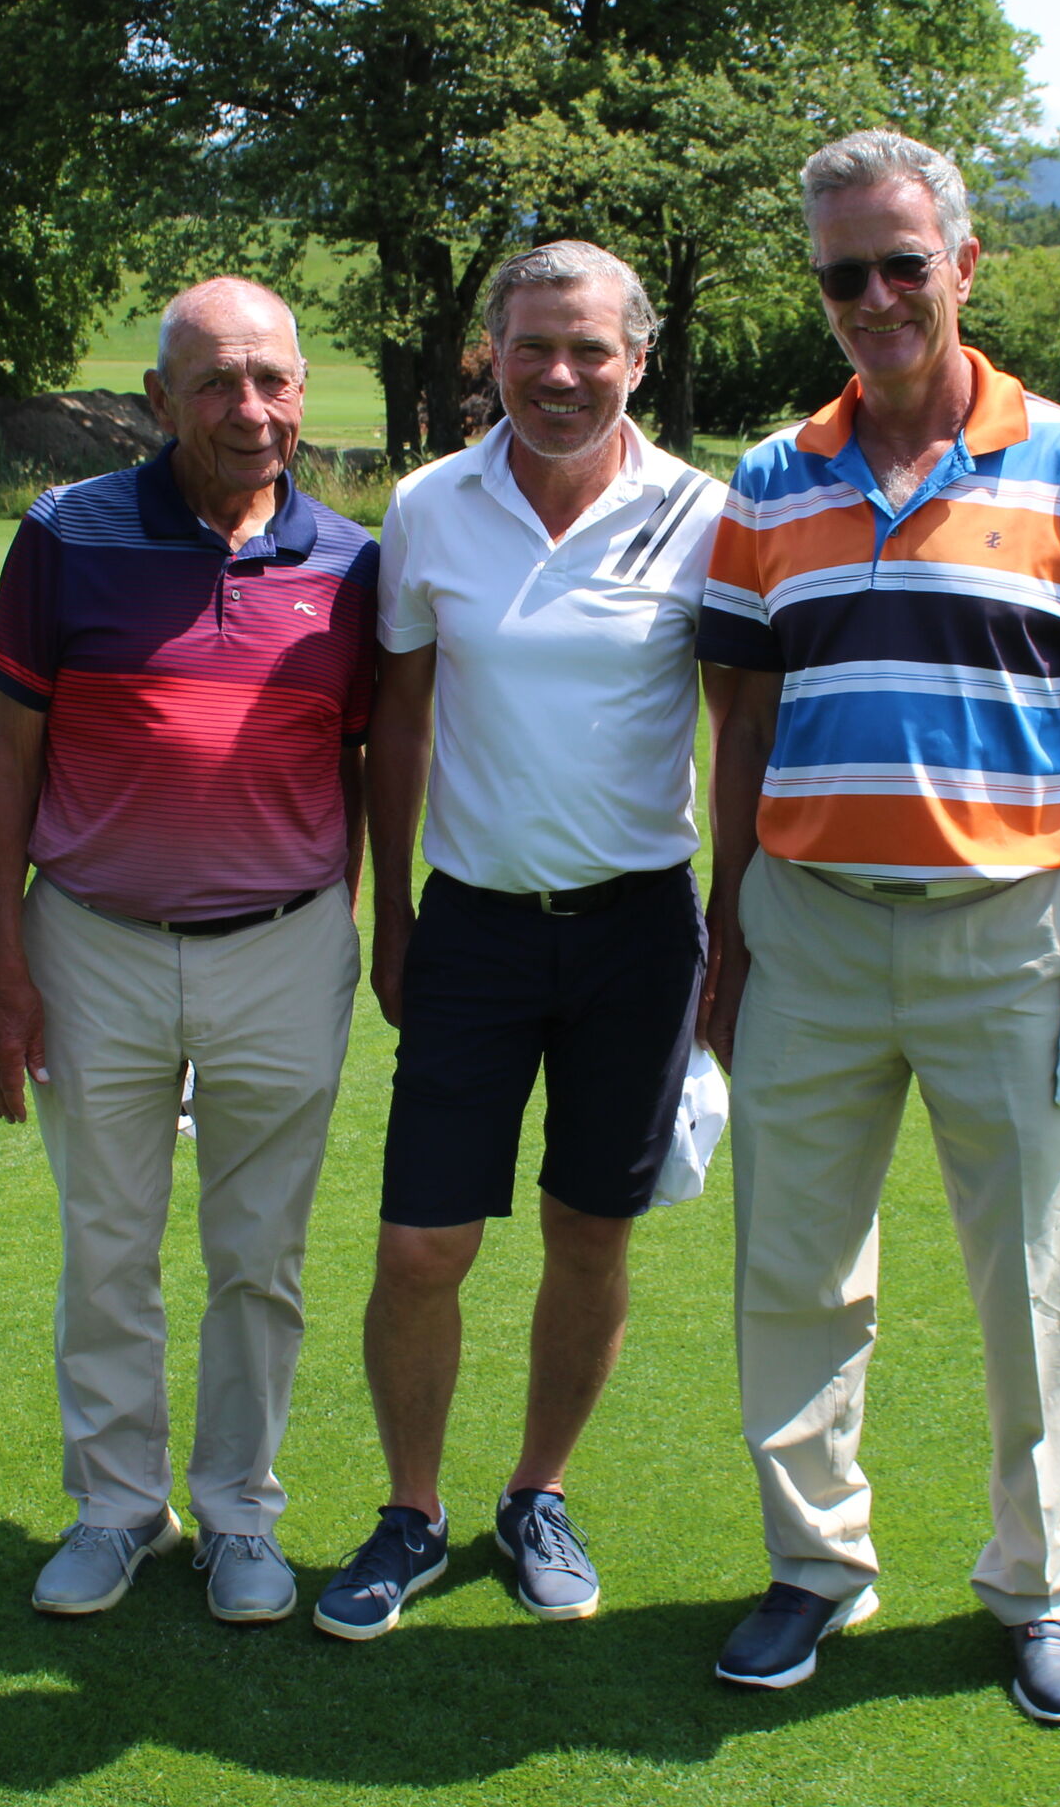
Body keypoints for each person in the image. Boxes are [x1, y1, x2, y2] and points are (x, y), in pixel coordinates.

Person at [694, 131, 1060, 1723]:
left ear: (964, 265)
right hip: (811, 930)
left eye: (902, 263)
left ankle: (1041, 1582)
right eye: (842, 273)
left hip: (1013, 932)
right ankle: (813, 1564)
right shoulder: (770, 479)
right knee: (794, 1269)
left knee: (1033, 1281)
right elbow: (741, 725)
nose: (875, 297)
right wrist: (727, 935)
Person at [309, 242, 722, 1642]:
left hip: (639, 935)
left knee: (588, 1235)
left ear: (637, 360)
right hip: (475, 929)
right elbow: (400, 717)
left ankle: (537, 1492)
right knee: (422, 1246)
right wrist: (393, 914)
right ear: (490, 354)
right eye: (532, 346)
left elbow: (742, 733)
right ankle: (411, 1512)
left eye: (589, 348)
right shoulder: (430, 506)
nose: (559, 374)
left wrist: (729, 934)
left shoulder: (704, 515)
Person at [0, 276, 379, 1628]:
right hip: (93, 944)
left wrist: (345, 929)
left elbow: (362, 764)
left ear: (302, 391)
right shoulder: (66, 535)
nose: (248, 409)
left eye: (272, 380)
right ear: (159, 399)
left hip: (285, 946)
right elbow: (10, 758)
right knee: (107, 1244)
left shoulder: (354, 563)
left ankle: (241, 1513)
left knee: (261, 1255)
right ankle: (117, 1507)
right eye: (214, 383)